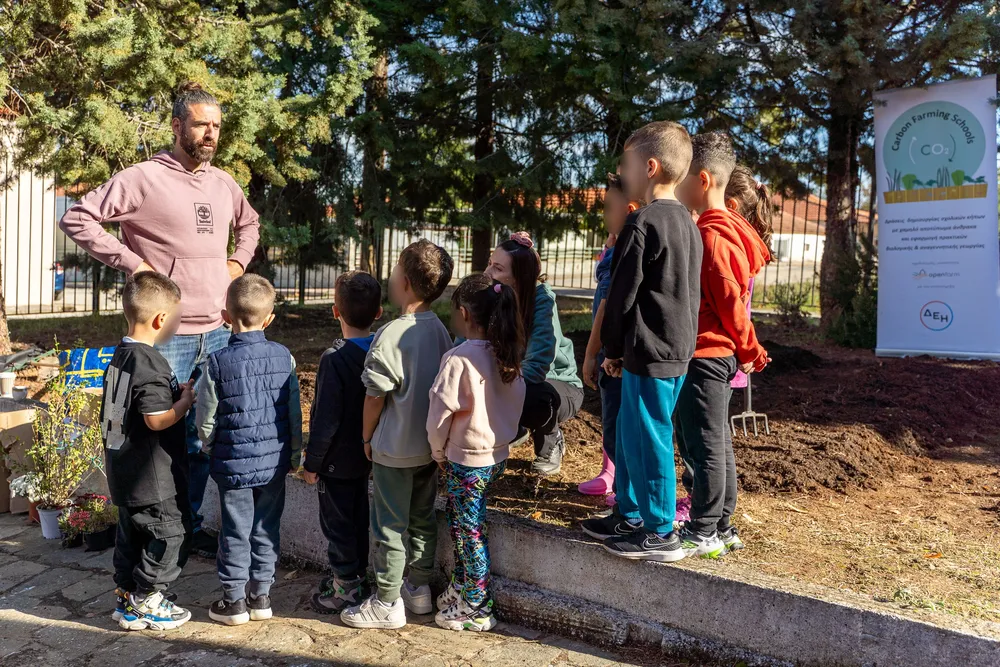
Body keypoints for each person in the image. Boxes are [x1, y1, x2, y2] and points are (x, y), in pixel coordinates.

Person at [60, 82, 261, 559]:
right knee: (156, 442)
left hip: (217, 331)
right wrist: (134, 264)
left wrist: (237, 264)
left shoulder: (223, 182)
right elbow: (78, 218)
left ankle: (188, 530)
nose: (210, 134)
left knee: (204, 438)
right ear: (176, 126)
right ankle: (156, 537)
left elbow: (249, 224)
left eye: (216, 125)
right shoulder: (143, 178)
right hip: (162, 335)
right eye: (200, 124)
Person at [580, 120, 702, 562]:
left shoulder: (642, 222)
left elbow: (622, 296)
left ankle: (660, 530)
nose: (622, 171)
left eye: (626, 164)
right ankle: (628, 515)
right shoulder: (688, 223)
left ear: (649, 167)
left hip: (651, 351)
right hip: (668, 348)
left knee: (649, 437)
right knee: (633, 433)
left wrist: (610, 350)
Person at [341, 241, 454, 630]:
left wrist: (366, 436)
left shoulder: (389, 334)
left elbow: (375, 396)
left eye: (392, 272)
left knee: (388, 525)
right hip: (428, 447)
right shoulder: (441, 330)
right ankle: (418, 588)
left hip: (392, 450)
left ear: (404, 282)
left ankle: (387, 601)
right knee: (423, 518)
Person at [673, 133, 770, 558]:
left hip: (706, 356)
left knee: (706, 445)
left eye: (686, 177)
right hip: (710, 356)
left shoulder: (714, 238)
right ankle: (723, 525)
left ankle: (706, 528)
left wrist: (752, 352)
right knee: (716, 441)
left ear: (705, 180)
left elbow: (732, 306)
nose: (679, 184)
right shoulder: (715, 231)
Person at [195, 275, 303, 625]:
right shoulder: (283, 357)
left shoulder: (216, 362)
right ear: (269, 318)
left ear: (226, 316)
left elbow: (206, 418)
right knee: (266, 528)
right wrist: (295, 455)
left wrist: (211, 446)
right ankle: (261, 596)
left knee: (235, 530)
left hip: (233, 464)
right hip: (274, 464)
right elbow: (293, 412)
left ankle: (233, 601)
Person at [427, 274, 526, 632]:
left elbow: (439, 413)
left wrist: (437, 450)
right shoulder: (507, 354)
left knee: (468, 529)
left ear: (464, 314)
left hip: (464, 461)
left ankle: (478, 603)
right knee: (463, 521)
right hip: (495, 457)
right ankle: (464, 584)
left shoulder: (458, 359)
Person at [101, 273, 195, 631]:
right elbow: (156, 419)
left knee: (132, 535)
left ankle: (127, 597)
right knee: (170, 533)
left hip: (124, 470)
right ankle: (148, 599)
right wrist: (184, 401)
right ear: (160, 320)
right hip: (152, 477)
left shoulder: (121, 355)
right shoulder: (150, 362)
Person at [302, 271, 383, 614]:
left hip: (335, 462)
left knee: (337, 525)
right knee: (358, 520)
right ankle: (356, 576)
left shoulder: (334, 359)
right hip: (365, 456)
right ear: (378, 312)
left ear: (335, 312)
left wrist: (312, 462)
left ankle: (346, 586)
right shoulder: (381, 349)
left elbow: (325, 419)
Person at [484, 233, 583, 475]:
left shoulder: (541, 301)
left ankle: (549, 440)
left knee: (537, 398)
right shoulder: (492, 296)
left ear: (519, 277)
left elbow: (538, 364)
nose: (488, 273)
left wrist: (502, 396)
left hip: (555, 384)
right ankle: (514, 429)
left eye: (497, 268)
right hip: (511, 379)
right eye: (489, 264)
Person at [578, 174, 640, 501]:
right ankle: (615, 482)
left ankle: (624, 498)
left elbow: (606, 305)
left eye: (607, 208)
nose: (603, 215)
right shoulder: (616, 247)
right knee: (614, 423)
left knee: (619, 427)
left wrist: (591, 353)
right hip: (613, 352)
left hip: (612, 352)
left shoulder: (622, 253)